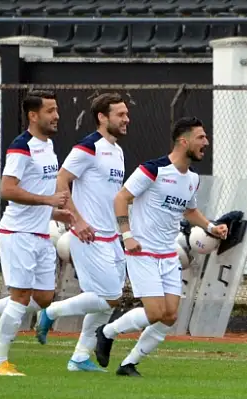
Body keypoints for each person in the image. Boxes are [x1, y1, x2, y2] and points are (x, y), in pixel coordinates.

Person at [93, 117, 228, 377]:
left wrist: (211, 227)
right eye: (201, 137)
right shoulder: (152, 169)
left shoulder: (192, 179)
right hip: (141, 251)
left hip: (168, 254)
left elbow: (189, 210)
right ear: (183, 141)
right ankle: (107, 332)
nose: (206, 143)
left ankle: (128, 364)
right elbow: (122, 197)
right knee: (155, 312)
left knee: (169, 316)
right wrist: (127, 235)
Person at [0, 91, 73, 376]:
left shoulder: (48, 145)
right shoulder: (22, 147)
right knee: (20, 297)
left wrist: (54, 212)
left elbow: (39, 190)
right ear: (33, 116)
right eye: (50, 111)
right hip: (18, 233)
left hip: (41, 232)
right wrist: (48, 202)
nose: (56, 116)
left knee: (43, 298)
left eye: (56, 110)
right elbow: (7, 189)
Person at [32, 93, 129, 372]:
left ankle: (79, 358)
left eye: (126, 114)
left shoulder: (117, 151)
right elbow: (61, 180)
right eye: (120, 115)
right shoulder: (88, 147)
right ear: (102, 117)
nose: (126, 119)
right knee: (109, 296)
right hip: (88, 235)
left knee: (107, 303)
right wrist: (77, 220)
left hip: (111, 236)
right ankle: (51, 312)